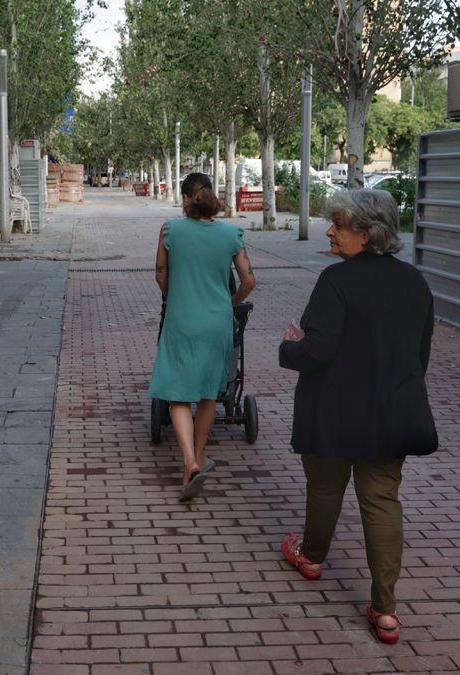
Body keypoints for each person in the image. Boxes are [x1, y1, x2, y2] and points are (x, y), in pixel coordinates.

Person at [277, 188, 437, 644]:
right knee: (382, 500)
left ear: (366, 235)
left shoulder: (336, 281)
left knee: (325, 487)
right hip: (392, 411)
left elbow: (317, 349)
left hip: (334, 411)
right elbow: (418, 355)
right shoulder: (415, 282)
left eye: (340, 226)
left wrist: (289, 347)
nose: (330, 231)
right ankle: (385, 609)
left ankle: (311, 556)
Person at [149, 172, 255, 501]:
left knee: (179, 393)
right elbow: (249, 281)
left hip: (181, 317)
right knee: (209, 392)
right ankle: (199, 454)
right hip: (217, 322)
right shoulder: (231, 233)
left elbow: (160, 274)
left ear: (186, 199)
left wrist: (173, 295)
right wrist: (228, 304)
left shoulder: (170, 231)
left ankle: (190, 462)